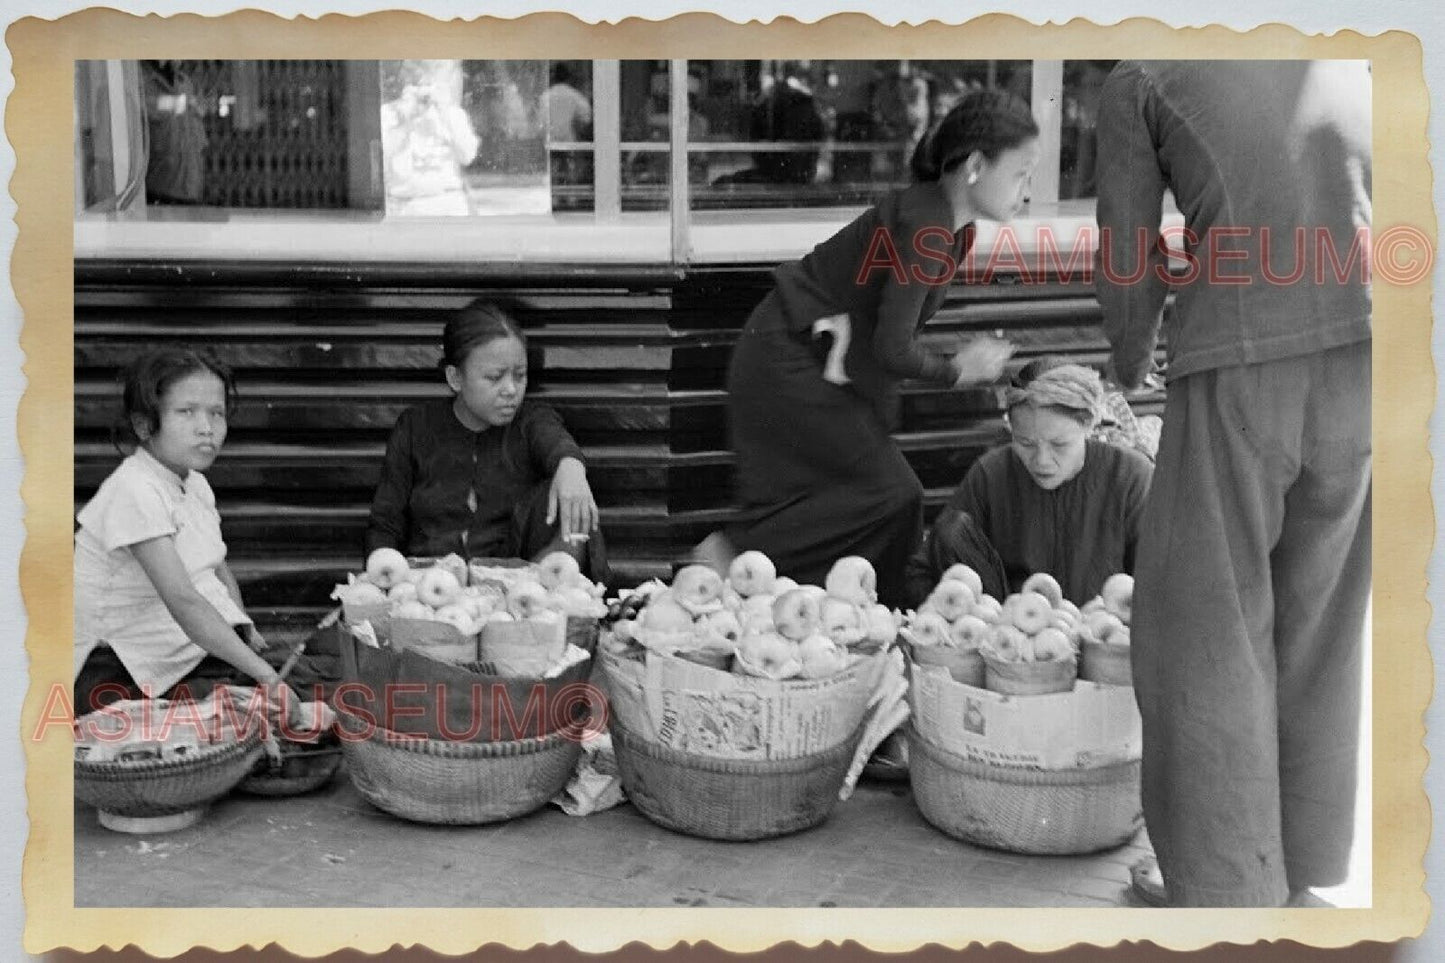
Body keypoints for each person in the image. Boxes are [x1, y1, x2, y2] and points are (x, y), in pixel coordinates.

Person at [1094, 60, 1372, 908]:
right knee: (1318, 619)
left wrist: (1130, 366)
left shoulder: (1140, 72)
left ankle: (1224, 886)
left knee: (1204, 626)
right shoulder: (1338, 50)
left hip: (1242, 352)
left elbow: (1127, 252)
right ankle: (1300, 864)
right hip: (1372, 354)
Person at [696, 89, 1038, 606]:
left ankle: (845, 617)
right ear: (974, 166)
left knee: (884, 495)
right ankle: (732, 557)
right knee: (893, 494)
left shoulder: (951, 228)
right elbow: (891, 348)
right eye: (1019, 174)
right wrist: (958, 371)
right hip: (787, 359)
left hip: (807, 359)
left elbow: (880, 333)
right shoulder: (927, 224)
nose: (1027, 190)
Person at [72, 349, 308, 720]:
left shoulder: (193, 482)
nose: (207, 427)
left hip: (178, 652)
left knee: (312, 685)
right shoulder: (134, 488)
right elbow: (183, 599)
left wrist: (248, 634)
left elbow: (217, 567)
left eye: (217, 413)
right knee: (266, 709)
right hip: (118, 672)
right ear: (144, 425)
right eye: (187, 412)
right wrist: (265, 676)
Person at [366, 299, 608, 581]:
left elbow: (556, 443)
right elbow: (385, 522)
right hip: (431, 586)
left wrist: (571, 468)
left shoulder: (531, 421)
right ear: (455, 378)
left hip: (517, 590)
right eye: (495, 378)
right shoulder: (415, 427)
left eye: (520, 376)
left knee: (564, 499)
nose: (510, 390)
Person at [903, 358, 1154, 607]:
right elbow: (921, 571)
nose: (1042, 461)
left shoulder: (1129, 476)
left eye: (1059, 444)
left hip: (1100, 632)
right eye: (1026, 443)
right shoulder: (992, 473)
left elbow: (1161, 579)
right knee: (952, 529)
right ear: (1010, 428)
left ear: (1088, 424)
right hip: (1008, 634)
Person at [380, 60, 480, 216]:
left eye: (431, 75)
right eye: (414, 75)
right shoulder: (389, 113)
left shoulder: (453, 114)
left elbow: (468, 155)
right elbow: (380, 158)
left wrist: (445, 112)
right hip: (406, 205)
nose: (423, 82)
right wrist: (406, 120)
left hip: (449, 202)